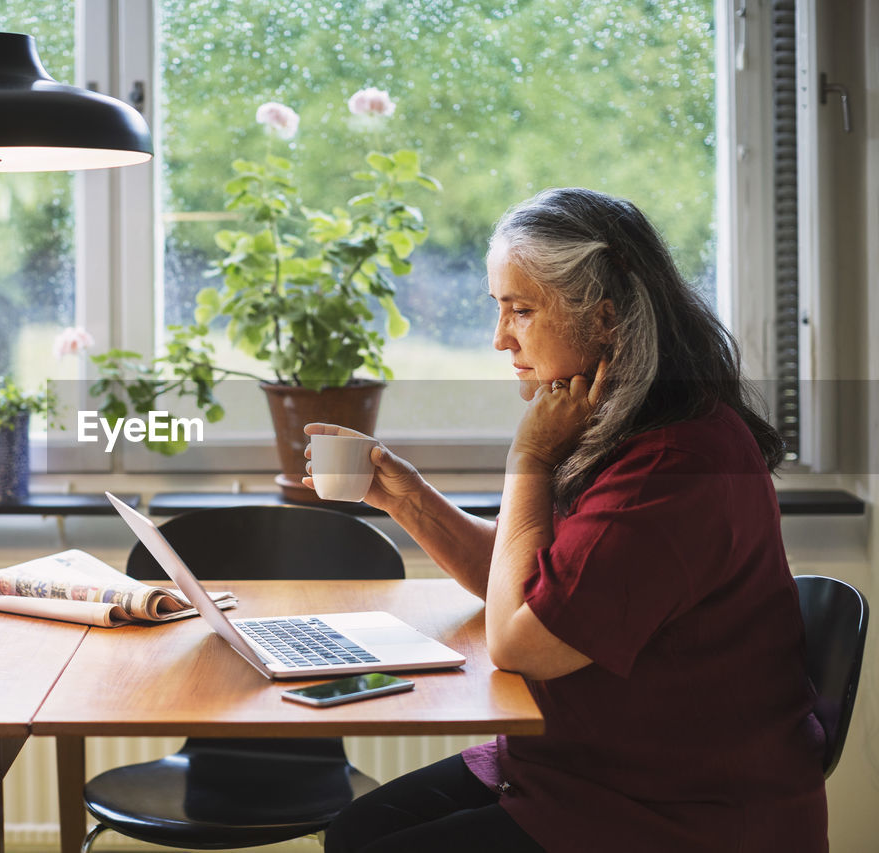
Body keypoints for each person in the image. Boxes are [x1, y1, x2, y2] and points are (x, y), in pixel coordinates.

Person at [304, 187, 827, 853]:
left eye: (521, 310)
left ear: (606, 319)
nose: (500, 338)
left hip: (675, 810)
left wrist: (530, 457)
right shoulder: (625, 424)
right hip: (578, 767)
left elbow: (519, 640)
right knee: (355, 831)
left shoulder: (674, 467)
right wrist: (403, 496)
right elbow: (531, 580)